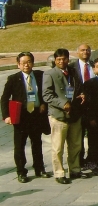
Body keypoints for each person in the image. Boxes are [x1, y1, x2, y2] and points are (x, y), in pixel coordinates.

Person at [1, 52, 51, 182]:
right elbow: (4, 98)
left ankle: (39, 168)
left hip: (36, 115)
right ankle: (21, 172)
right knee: (20, 145)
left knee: (37, 143)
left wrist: (43, 104)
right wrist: (6, 116)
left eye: (29, 62)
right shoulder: (13, 79)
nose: (26, 65)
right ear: (18, 65)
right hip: (21, 117)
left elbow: (46, 92)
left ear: (32, 63)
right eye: (23, 63)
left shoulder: (40, 75)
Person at [42, 48, 88, 184]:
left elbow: (79, 87)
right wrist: (63, 104)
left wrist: (82, 94)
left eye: (64, 59)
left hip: (74, 114)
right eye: (59, 59)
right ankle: (59, 172)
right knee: (58, 147)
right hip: (59, 115)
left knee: (75, 145)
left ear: (68, 59)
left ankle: (74, 169)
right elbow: (47, 95)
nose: (62, 61)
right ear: (55, 61)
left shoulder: (73, 72)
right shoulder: (49, 74)